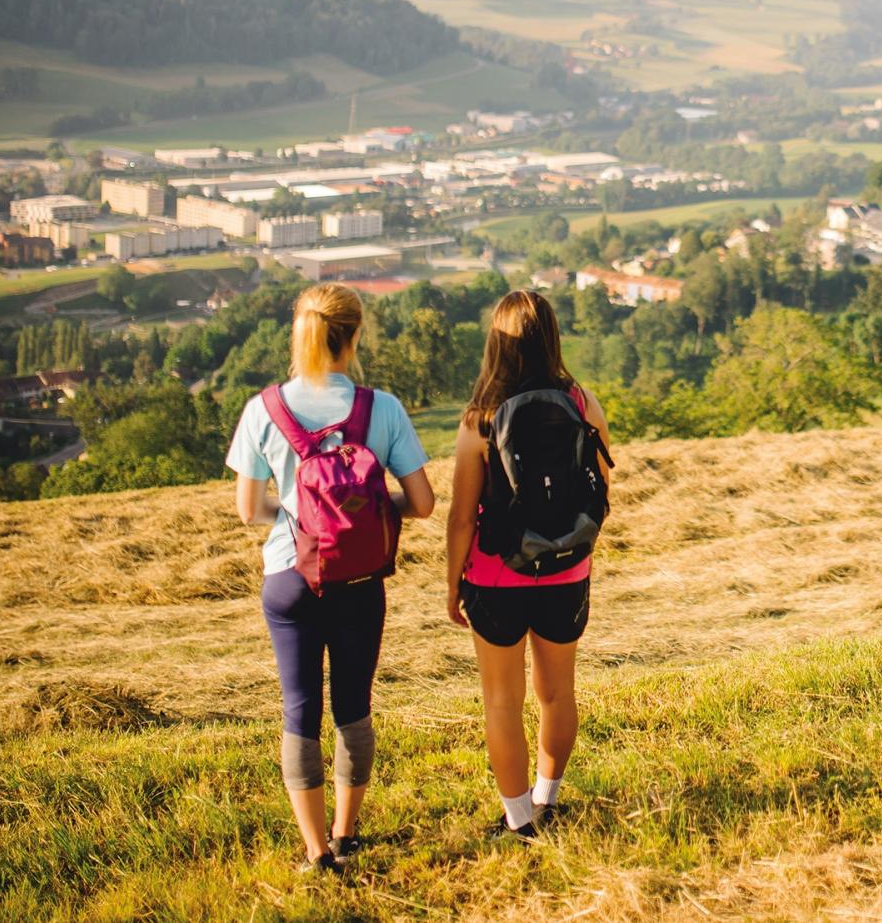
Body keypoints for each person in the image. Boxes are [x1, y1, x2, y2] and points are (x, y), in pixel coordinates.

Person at [229, 282, 435, 874]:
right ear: (355, 335)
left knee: (299, 710)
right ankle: (347, 834)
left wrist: (303, 518)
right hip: (359, 582)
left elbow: (249, 509)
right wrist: (362, 514)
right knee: (353, 707)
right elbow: (421, 503)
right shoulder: (383, 408)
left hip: (289, 578)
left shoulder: (262, 409)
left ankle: (316, 851)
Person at [446, 290, 613, 840]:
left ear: (497, 344)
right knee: (558, 692)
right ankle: (548, 795)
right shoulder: (582, 403)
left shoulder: (480, 420)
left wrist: (452, 587)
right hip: (567, 570)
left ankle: (519, 819)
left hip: (496, 578)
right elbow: (602, 489)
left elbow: (461, 518)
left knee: (502, 700)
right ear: (552, 337)